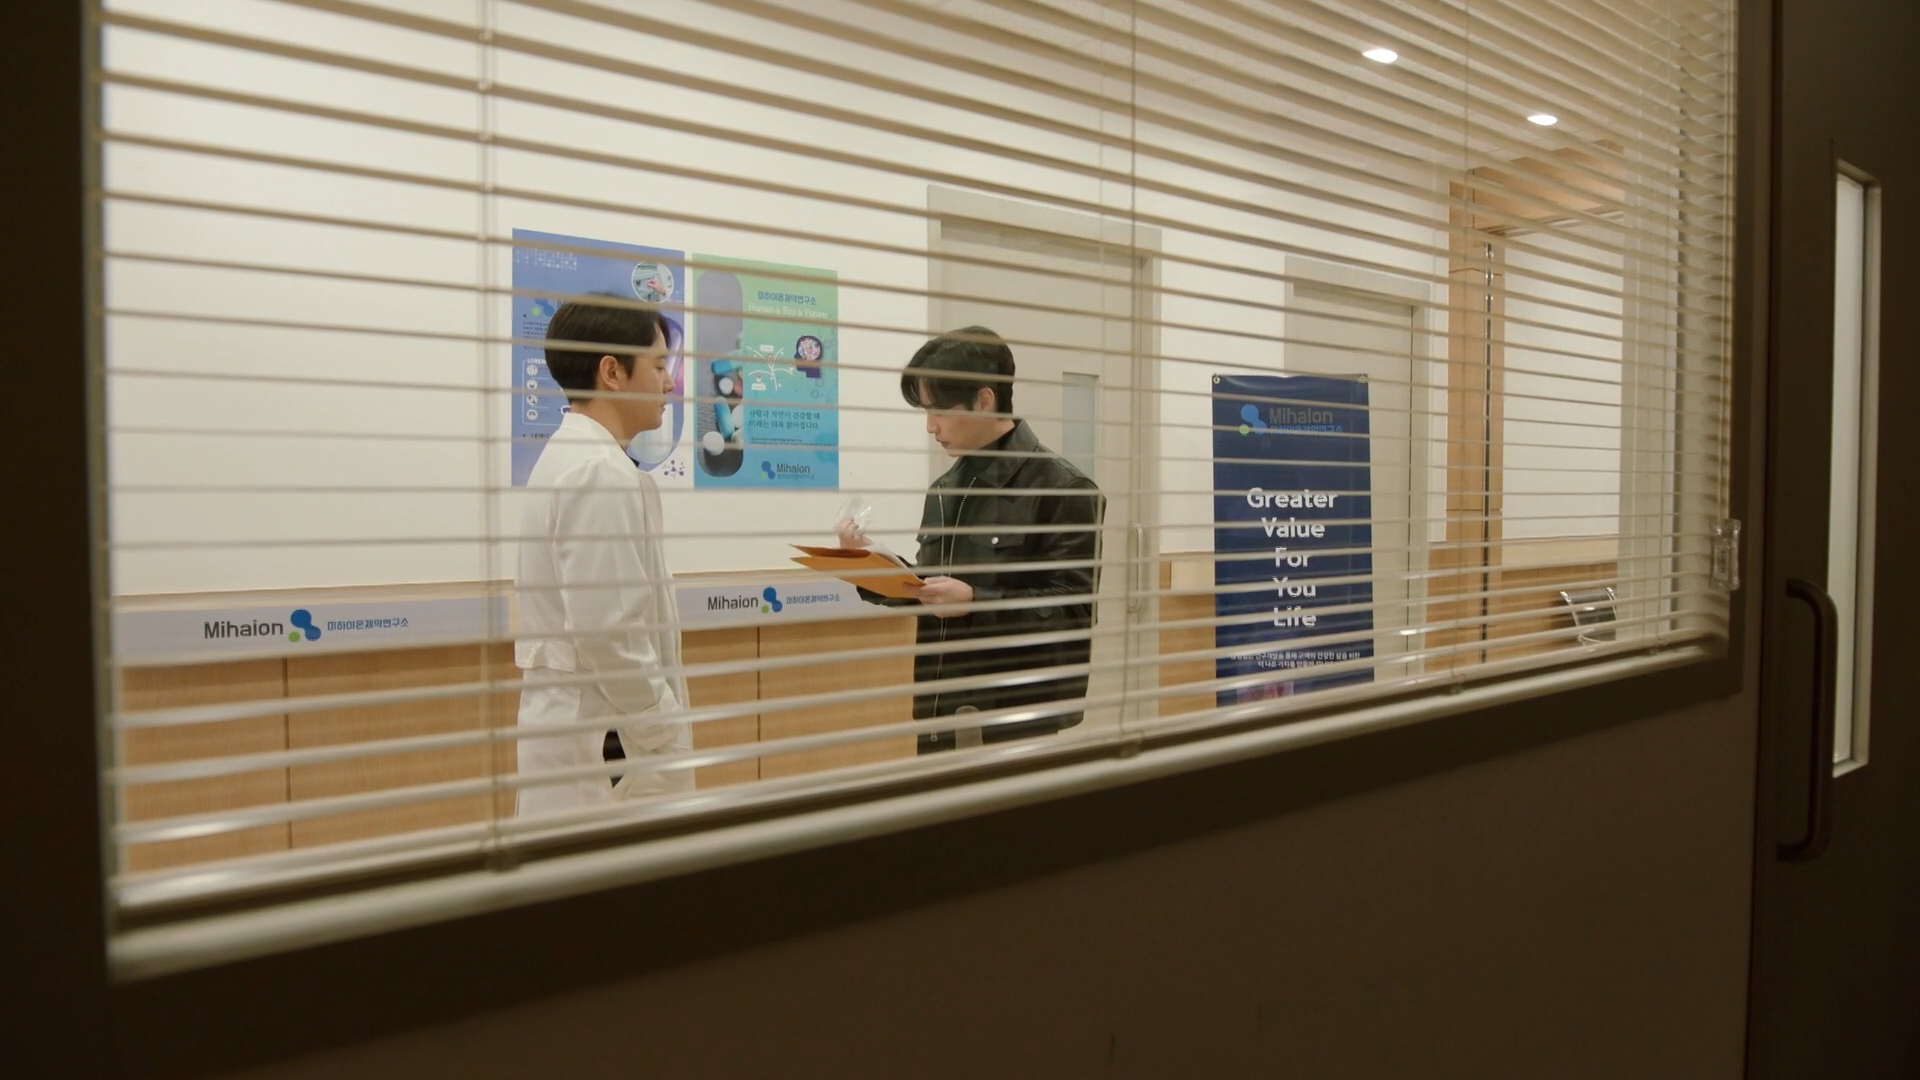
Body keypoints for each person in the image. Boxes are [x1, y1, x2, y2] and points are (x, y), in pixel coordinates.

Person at [842, 327, 1105, 753]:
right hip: (941, 706)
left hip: (1016, 718)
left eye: (939, 411)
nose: (930, 426)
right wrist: (867, 565)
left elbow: (1073, 612)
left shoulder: (1063, 488)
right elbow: (934, 590)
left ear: (984, 400)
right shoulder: (945, 488)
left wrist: (976, 602)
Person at [515, 295, 690, 816]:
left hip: (590, 734)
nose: (670, 383)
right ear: (612, 372)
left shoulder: (581, 459)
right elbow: (607, 630)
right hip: (612, 745)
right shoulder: (597, 471)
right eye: (658, 366)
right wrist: (661, 723)